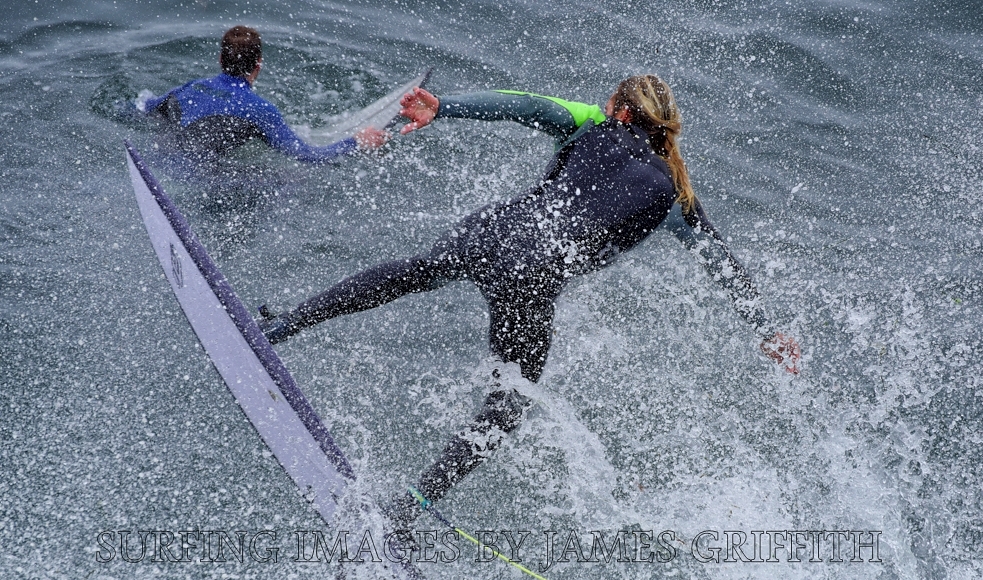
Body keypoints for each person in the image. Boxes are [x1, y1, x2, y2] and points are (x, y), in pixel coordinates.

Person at [259, 75, 801, 531]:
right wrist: (766, 330)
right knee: (507, 405)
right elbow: (722, 263)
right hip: (535, 271)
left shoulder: (592, 122)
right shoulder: (676, 196)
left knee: (414, 272)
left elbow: (522, 107)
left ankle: (283, 325)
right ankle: (409, 508)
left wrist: (445, 107)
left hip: (495, 229)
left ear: (617, 108)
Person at [143, 25, 387, 161]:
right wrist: (355, 141)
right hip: (204, 176)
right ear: (259, 65)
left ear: (220, 59)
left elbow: (144, 109)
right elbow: (308, 156)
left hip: (162, 158)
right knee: (291, 180)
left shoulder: (189, 87)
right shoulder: (260, 110)